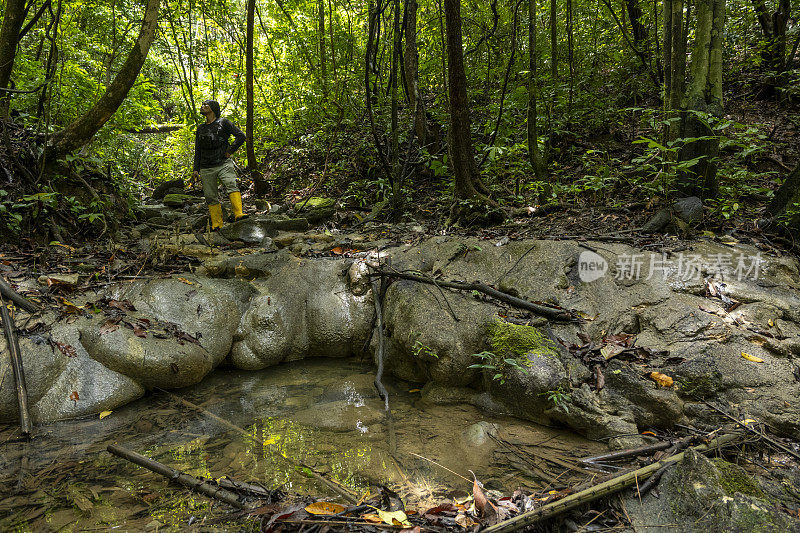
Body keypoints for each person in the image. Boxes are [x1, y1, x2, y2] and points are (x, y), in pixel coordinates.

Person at [192, 99, 247, 229]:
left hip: (223, 163)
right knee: (210, 195)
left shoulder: (223, 122)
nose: (203, 106)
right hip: (206, 166)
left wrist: (230, 151)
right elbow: (198, 149)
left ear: (213, 108)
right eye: (202, 104)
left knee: (231, 184)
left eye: (206, 104)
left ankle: (238, 213)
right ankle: (217, 223)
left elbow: (241, 136)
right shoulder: (201, 128)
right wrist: (196, 169)